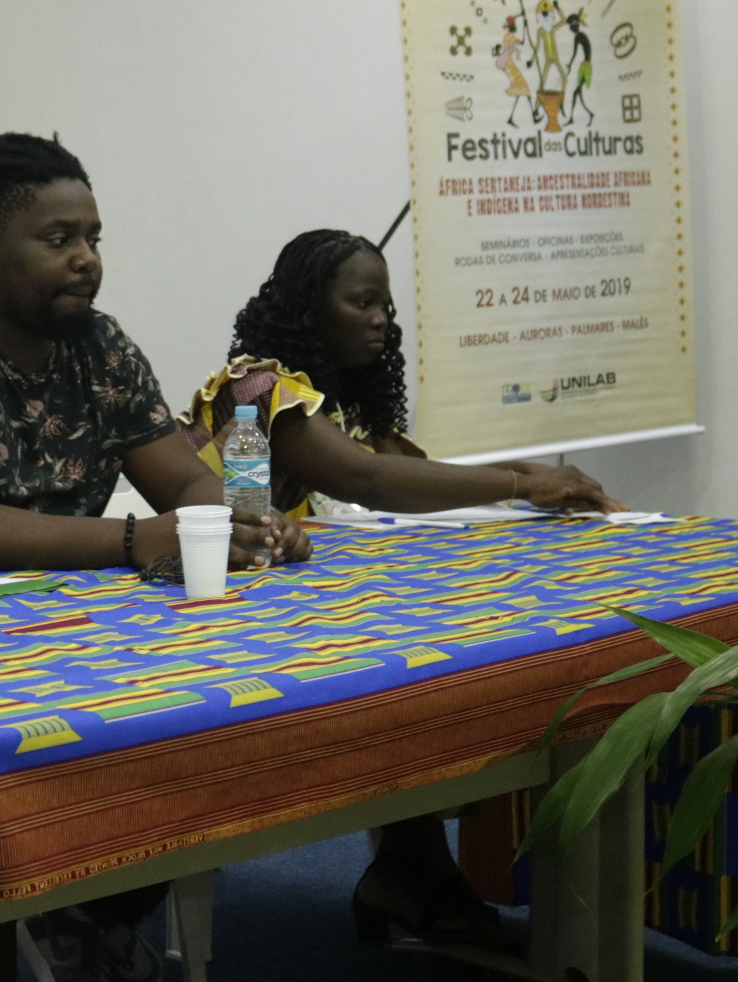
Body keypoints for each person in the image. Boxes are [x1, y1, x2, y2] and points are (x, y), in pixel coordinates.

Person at [0, 133, 308, 981]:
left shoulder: (100, 345)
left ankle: (95, 914)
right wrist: (136, 541)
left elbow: (183, 479)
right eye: (59, 240)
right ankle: (56, 913)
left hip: (74, 632)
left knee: (197, 718)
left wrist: (247, 521)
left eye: (93, 238)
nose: (86, 259)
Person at [181, 227, 623, 949]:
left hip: (301, 604)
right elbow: (369, 481)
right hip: (222, 615)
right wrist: (523, 482)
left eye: (385, 305)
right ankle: (411, 864)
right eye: (362, 302)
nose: (381, 320)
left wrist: (533, 476)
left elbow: (413, 474)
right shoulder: (254, 386)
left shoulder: (344, 396)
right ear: (307, 307)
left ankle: (411, 863)